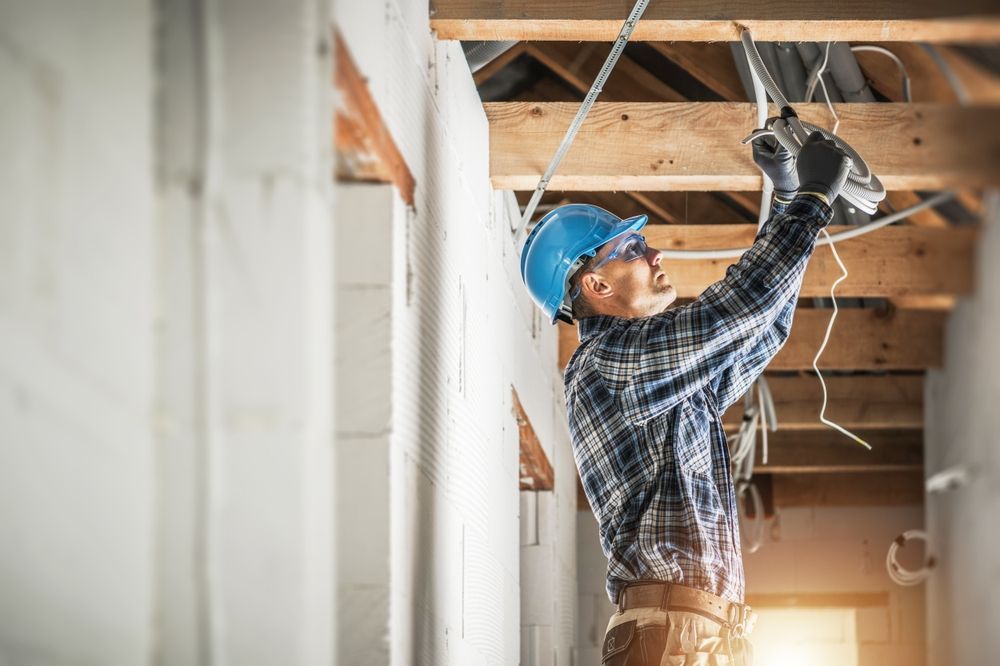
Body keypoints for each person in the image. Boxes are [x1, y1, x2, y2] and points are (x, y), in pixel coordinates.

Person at [519, 132, 853, 665]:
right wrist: (811, 200)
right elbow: (740, 308)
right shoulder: (607, 367)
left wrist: (792, 202)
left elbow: (763, 326)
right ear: (596, 286)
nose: (652, 252)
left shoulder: (660, 377)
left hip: (695, 634)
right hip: (673, 637)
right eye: (630, 249)